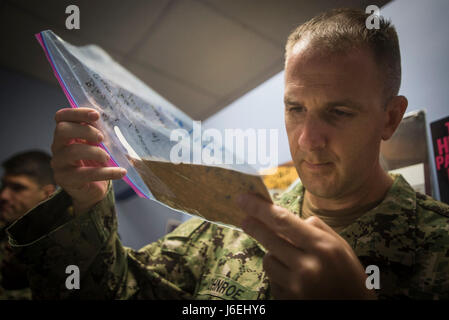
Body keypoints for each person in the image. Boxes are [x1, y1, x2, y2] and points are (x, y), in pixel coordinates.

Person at [6, 8, 449, 299]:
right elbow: (121, 291)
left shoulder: (438, 247)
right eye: (295, 109)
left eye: (339, 112)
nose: (308, 139)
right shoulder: (233, 224)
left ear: (390, 118)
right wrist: (86, 203)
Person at [0, 150, 56, 299]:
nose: (3, 195)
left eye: (17, 188)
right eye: (4, 185)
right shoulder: (6, 227)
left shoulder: (62, 246)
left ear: (47, 194)